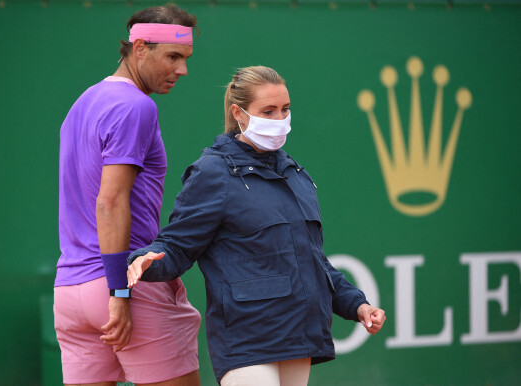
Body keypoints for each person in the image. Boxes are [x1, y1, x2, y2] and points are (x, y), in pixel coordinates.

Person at [126, 66, 386, 385]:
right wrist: (146, 260)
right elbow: (177, 247)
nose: (279, 118)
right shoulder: (213, 173)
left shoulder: (296, 175)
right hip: (246, 343)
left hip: (299, 337)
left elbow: (311, 258)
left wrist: (356, 304)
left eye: (285, 109)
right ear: (239, 113)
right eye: (268, 111)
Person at [54, 5, 202, 386]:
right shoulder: (137, 106)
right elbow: (110, 202)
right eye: (172, 57)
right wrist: (119, 291)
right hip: (121, 287)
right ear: (139, 49)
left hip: (71, 293)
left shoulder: (82, 103)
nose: (182, 70)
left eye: (185, 58)